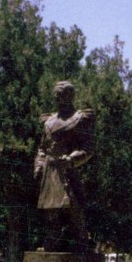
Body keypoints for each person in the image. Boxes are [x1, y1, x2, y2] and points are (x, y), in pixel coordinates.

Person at [34, 81, 94, 253]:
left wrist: (72, 159)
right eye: (57, 94)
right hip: (50, 169)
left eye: (63, 94)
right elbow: (42, 148)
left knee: (74, 208)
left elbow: (89, 148)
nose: (59, 97)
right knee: (50, 210)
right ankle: (51, 242)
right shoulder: (49, 121)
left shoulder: (80, 119)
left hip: (69, 170)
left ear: (71, 96)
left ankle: (81, 241)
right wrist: (38, 164)